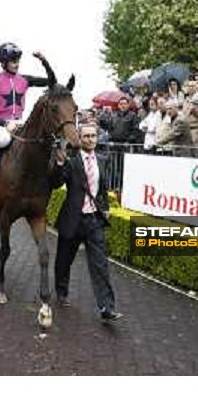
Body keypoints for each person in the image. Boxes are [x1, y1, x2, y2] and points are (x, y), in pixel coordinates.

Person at [51, 123, 122, 322]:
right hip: (72, 220)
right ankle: (61, 291)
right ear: (79, 139)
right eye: (86, 136)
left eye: (93, 136)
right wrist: (58, 164)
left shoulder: (102, 160)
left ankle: (107, 307)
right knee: (64, 261)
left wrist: (105, 207)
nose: (90, 139)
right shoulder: (71, 162)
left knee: (100, 265)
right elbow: (57, 182)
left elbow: (102, 188)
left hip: (94, 221)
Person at [0, 43, 54, 151]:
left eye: (18, 61)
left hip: (20, 121)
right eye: (13, 61)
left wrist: (43, 61)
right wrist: (5, 123)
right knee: (3, 141)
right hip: (0, 125)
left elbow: (52, 81)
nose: (17, 64)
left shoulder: (25, 79)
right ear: (3, 63)